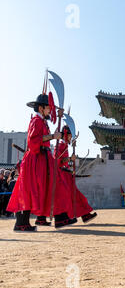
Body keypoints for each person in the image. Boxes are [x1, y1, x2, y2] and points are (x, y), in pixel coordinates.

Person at [7, 94, 76, 231]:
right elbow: (33, 141)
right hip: (35, 159)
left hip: (42, 158)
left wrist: (57, 124)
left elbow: (48, 135)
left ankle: (60, 217)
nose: (50, 110)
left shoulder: (42, 122)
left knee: (53, 185)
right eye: (48, 107)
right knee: (29, 190)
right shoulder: (36, 121)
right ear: (41, 108)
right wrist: (52, 136)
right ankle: (22, 223)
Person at [55, 125, 97, 223]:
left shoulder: (64, 145)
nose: (70, 138)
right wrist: (70, 159)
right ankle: (69, 217)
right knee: (69, 197)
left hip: (66, 174)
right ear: (66, 135)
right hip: (61, 175)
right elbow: (57, 161)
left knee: (76, 196)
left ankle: (85, 215)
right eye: (70, 136)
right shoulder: (60, 145)